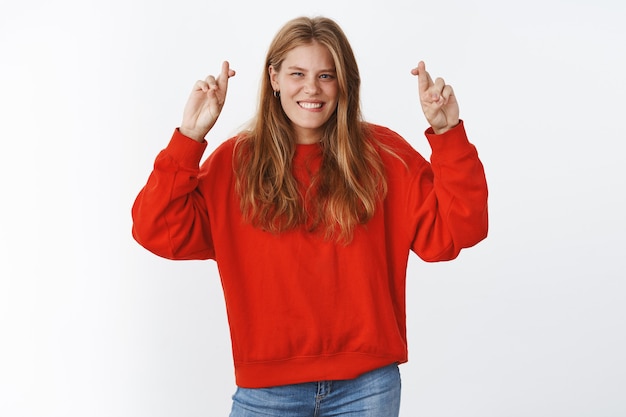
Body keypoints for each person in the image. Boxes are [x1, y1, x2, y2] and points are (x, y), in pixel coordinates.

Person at [132, 15, 488, 417]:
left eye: (326, 75)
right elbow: (156, 229)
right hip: (267, 392)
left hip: (366, 388)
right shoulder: (236, 162)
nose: (311, 89)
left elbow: (458, 230)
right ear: (274, 78)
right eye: (297, 73)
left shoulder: (383, 155)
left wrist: (448, 134)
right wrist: (189, 137)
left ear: (344, 83)